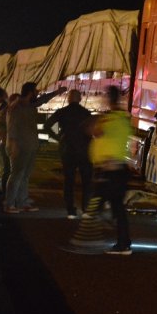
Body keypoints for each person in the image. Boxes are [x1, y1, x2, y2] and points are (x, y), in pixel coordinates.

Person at [4, 82, 67, 214]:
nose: (37, 92)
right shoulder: (17, 106)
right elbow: (12, 126)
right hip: (20, 145)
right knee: (17, 174)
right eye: (36, 91)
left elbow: (42, 100)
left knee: (25, 175)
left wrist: (56, 92)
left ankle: (22, 202)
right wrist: (13, 144)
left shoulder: (29, 105)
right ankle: (9, 204)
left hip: (31, 144)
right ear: (30, 92)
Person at [85, 85, 132, 255]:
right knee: (116, 206)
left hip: (108, 168)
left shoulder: (110, 119)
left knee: (100, 201)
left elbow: (95, 131)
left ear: (108, 99)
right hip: (118, 168)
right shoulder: (123, 119)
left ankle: (118, 241)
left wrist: (96, 120)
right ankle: (122, 241)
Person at [43, 89, 93, 219]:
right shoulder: (86, 113)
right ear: (80, 99)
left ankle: (70, 210)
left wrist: (58, 138)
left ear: (69, 99)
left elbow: (46, 126)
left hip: (67, 149)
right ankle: (86, 208)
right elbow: (92, 131)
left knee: (69, 180)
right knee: (86, 181)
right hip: (84, 150)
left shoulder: (62, 112)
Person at [0, 93, 20, 194]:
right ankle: (7, 194)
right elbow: (1, 129)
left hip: (8, 143)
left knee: (10, 170)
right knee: (9, 170)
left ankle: (9, 193)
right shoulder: (7, 111)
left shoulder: (8, 111)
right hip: (9, 144)